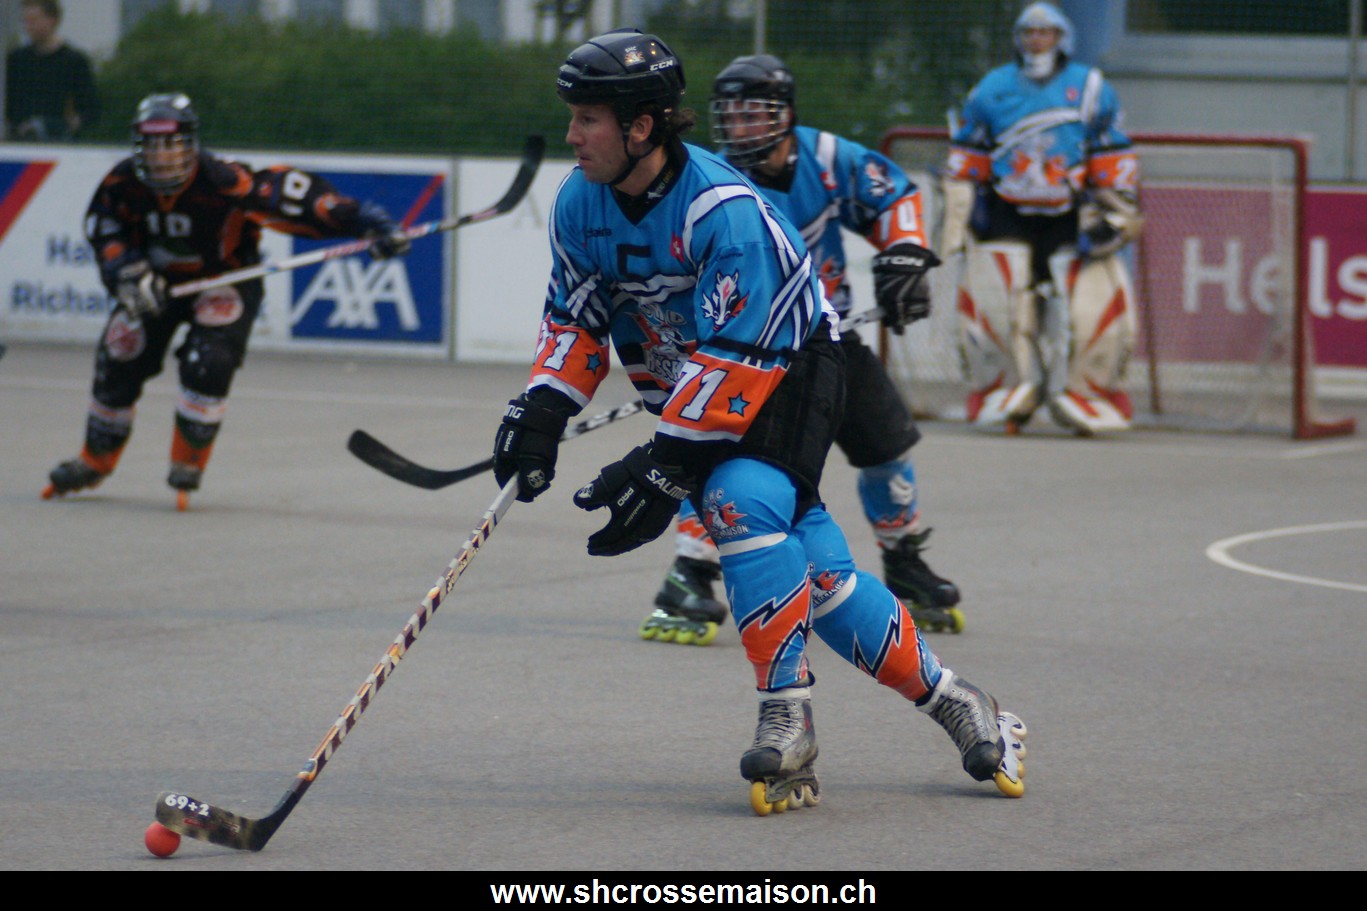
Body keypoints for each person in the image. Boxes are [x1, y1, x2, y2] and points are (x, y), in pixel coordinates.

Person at [493, 28, 1026, 814]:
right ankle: (955, 699)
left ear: (641, 126)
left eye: (588, 119)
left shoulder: (724, 209)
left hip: (791, 365)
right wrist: (541, 407)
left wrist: (664, 459)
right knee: (817, 574)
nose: (572, 135)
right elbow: (573, 317)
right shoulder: (579, 201)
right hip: (704, 380)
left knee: (740, 498)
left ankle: (787, 713)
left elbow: (742, 353)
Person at [641, 52, 965, 649]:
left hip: (825, 334)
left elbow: (894, 194)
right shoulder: (706, 176)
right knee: (720, 458)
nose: (739, 128)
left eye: (753, 114)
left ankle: (904, 561)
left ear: (785, 115)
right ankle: (688, 574)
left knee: (887, 447)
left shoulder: (828, 157)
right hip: (744, 347)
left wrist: (903, 254)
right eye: (730, 116)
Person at [42, 92, 411, 510]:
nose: (161, 156)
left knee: (210, 361)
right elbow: (103, 227)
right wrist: (126, 272)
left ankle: (188, 462)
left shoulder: (223, 180)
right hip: (156, 286)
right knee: (120, 351)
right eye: (151, 145)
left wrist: (367, 222)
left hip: (225, 280)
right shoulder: (120, 182)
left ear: (191, 143)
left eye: (171, 144)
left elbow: (296, 196)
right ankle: (95, 460)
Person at [943, 1, 1142, 436]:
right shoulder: (991, 88)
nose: (1036, 40)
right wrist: (961, 210)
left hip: (1069, 214)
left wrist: (1117, 211)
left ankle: (1087, 392)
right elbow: (968, 153)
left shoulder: (1090, 87)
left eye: (1045, 32)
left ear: (1061, 38)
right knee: (1000, 305)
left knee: (1087, 306)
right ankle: (1007, 389)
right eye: (1028, 33)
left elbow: (1110, 151)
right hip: (1006, 212)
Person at [5, 0, 100, 141]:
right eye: (25, 21)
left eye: (34, 20)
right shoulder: (16, 60)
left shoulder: (74, 61)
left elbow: (89, 108)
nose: (28, 27)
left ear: (52, 20)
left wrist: (70, 125)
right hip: (21, 143)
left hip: (61, 143)